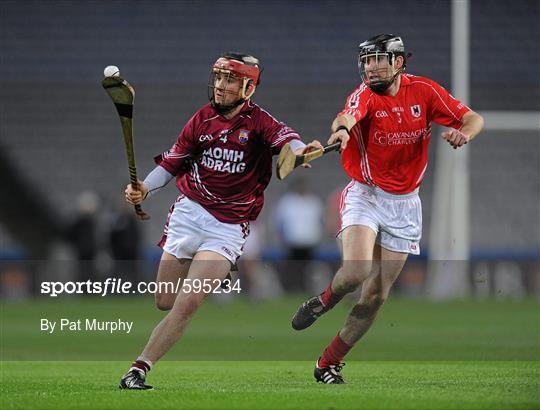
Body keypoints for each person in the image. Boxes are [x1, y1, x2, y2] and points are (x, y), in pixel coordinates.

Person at [119, 52, 322, 390]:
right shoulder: (200, 120)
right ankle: (212, 275)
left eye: (230, 80)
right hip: (188, 214)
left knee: (188, 302)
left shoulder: (259, 122)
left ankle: (138, 369)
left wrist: (301, 151)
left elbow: (289, 141)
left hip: (227, 226)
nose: (221, 85)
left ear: (248, 87)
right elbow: (172, 162)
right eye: (218, 77)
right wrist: (145, 188)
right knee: (164, 301)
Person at [291, 34, 484, 384]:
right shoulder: (363, 95)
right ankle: (324, 300)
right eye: (366, 61)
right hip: (366, 195)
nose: (371, 67)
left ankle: (328, 363)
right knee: (355, 272)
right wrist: (341, 132)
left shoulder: (424, 91)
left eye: (379, 59)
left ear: (398, 62)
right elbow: (346, 117)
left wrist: (464, 134)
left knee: (376, 296)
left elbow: (472, 119)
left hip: (406, 205)